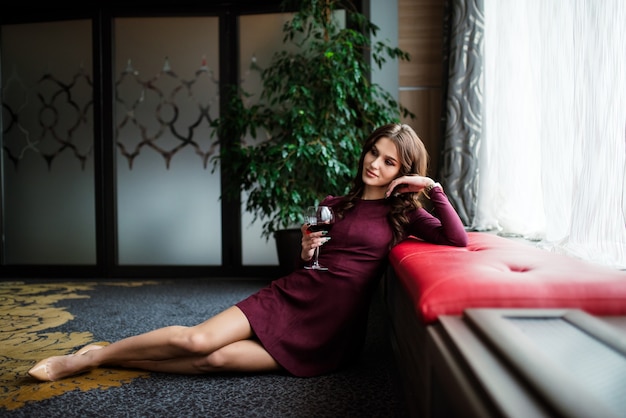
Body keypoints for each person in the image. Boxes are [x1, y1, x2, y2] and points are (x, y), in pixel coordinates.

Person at [28, 123, 467, 382]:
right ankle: (89, 357)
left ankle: (113, 355)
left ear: (403, 172)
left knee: (212, 361)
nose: (375, 163)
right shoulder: (334, 205)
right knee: (196, 339)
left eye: (389, 161)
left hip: (330, 332)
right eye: (374, 151)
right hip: (291, 296)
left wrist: (432, 189)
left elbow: (457, 239)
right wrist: (306, 248)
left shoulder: (404, 216)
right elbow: (308, 266)